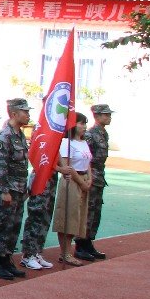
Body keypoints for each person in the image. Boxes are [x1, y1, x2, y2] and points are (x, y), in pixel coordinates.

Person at [0, 98, 32, 281]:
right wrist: (4, 191)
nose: (28, 115)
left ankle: (7, 259)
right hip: (7, 190)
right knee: (1, 225)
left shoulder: (19, 134)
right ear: (14, 113)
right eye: (25, 111)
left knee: (13, 226)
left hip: (19, 190)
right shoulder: (4, 136)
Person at [54, 114, 93, 266]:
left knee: (78, 217)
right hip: (72, 181)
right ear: (73, 125)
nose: (84, 126)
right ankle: (65, 253)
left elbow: (88, 162)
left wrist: (89, 179)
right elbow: (67, 165)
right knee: (68, 217)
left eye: (85, 123)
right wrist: (81, 182)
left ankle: (68, 252)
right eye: (81, 123)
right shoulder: (66, 143)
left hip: (83, 180)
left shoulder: (83, 142)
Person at [79, 104, 112, 260]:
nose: (109, 117)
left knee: (95, 212)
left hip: (99, 177)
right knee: (88, 211)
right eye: (106, 115)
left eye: (109, 115)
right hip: (91, 176)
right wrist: (88, 177)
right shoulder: (90, 134)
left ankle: (89, 242)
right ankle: (81, 244)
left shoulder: (104, 134)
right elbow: (86, 157)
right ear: (97, 116)